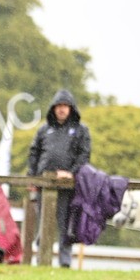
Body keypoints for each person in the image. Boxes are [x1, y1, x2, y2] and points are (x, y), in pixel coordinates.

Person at [27, 89, 91, 268]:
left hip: (67, 186)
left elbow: (84, 155)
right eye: (58, 106)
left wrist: (71, 172)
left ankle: (64, 261)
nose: (61, 110)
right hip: (43, 183)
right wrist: (32, 177)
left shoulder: (80, 130)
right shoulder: (44, 130)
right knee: (42, 222)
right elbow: (34, 153)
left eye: (65, 106)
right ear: (53, 108)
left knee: (65, 224)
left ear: (71, 108)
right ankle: (41, 259)